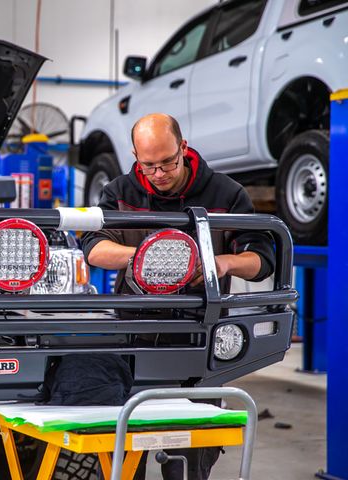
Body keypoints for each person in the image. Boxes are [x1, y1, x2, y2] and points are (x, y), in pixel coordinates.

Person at [81, 113, 275, 480]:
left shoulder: (226, 194)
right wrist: (146, 257)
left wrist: (223, 263)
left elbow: (261, 261)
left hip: (198, 339)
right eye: (148, 165)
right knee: (123, 448)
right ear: (135, 157)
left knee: (192, 452)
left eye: (168, 162)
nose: (158, 173)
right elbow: (93, 248)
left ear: (183, 148)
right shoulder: (120, 192)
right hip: (132, 338)